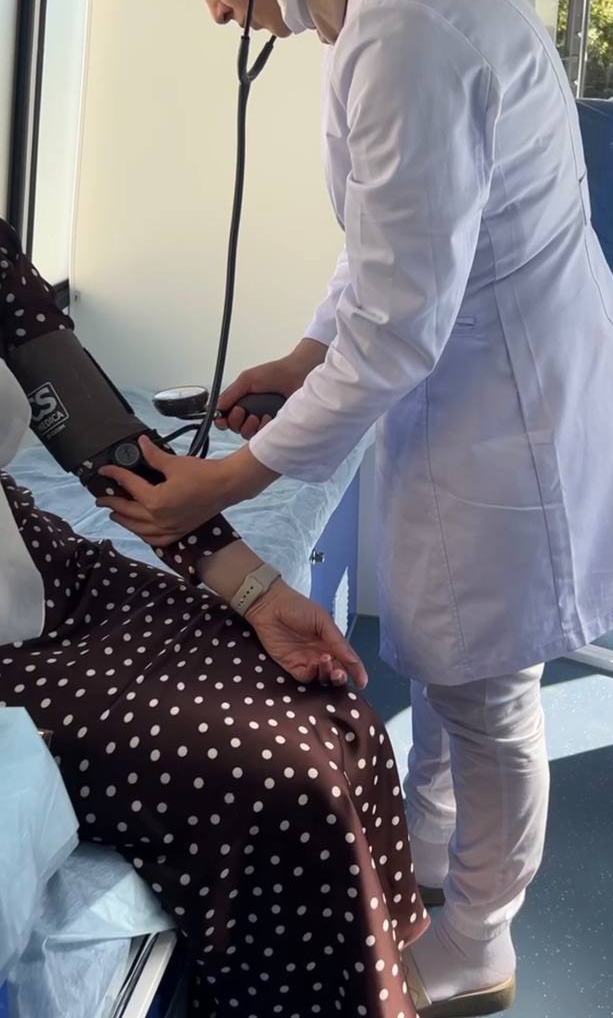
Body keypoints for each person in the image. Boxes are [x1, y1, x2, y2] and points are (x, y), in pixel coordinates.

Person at [107, 0, 613, 1016]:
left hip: (511, 409)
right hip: (482, 384)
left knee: (488, 690)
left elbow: (401, 318)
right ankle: (434, 868)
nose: (211, 7)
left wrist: (225, 480)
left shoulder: (409, 23)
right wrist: (303, 356)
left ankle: (480, 938)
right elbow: (390, 243)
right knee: (461, 673)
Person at [0, 218, 427, 1018]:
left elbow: (94, 431)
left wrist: (255, 589)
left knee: (326, 709)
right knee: (284, 781)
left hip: (41, 568)